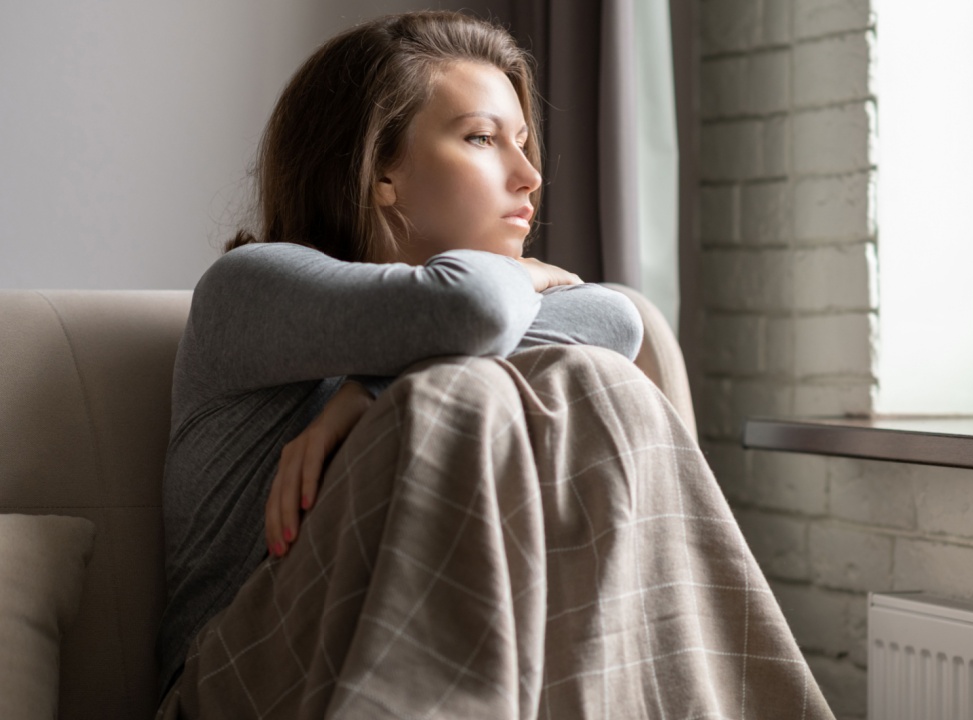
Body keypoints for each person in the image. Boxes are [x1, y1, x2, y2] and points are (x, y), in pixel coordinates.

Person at [157, 11, 832, 719]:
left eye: (522, 141)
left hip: (432, 656)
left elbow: (616, 320)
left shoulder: (480, 325)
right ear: (382, 171)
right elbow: (472, 310)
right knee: (460, 393)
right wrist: (429, 370)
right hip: (233, 684)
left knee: (593, 380)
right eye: (482, 138)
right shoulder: (249, 287)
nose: (530, 175)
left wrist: (370, 390)